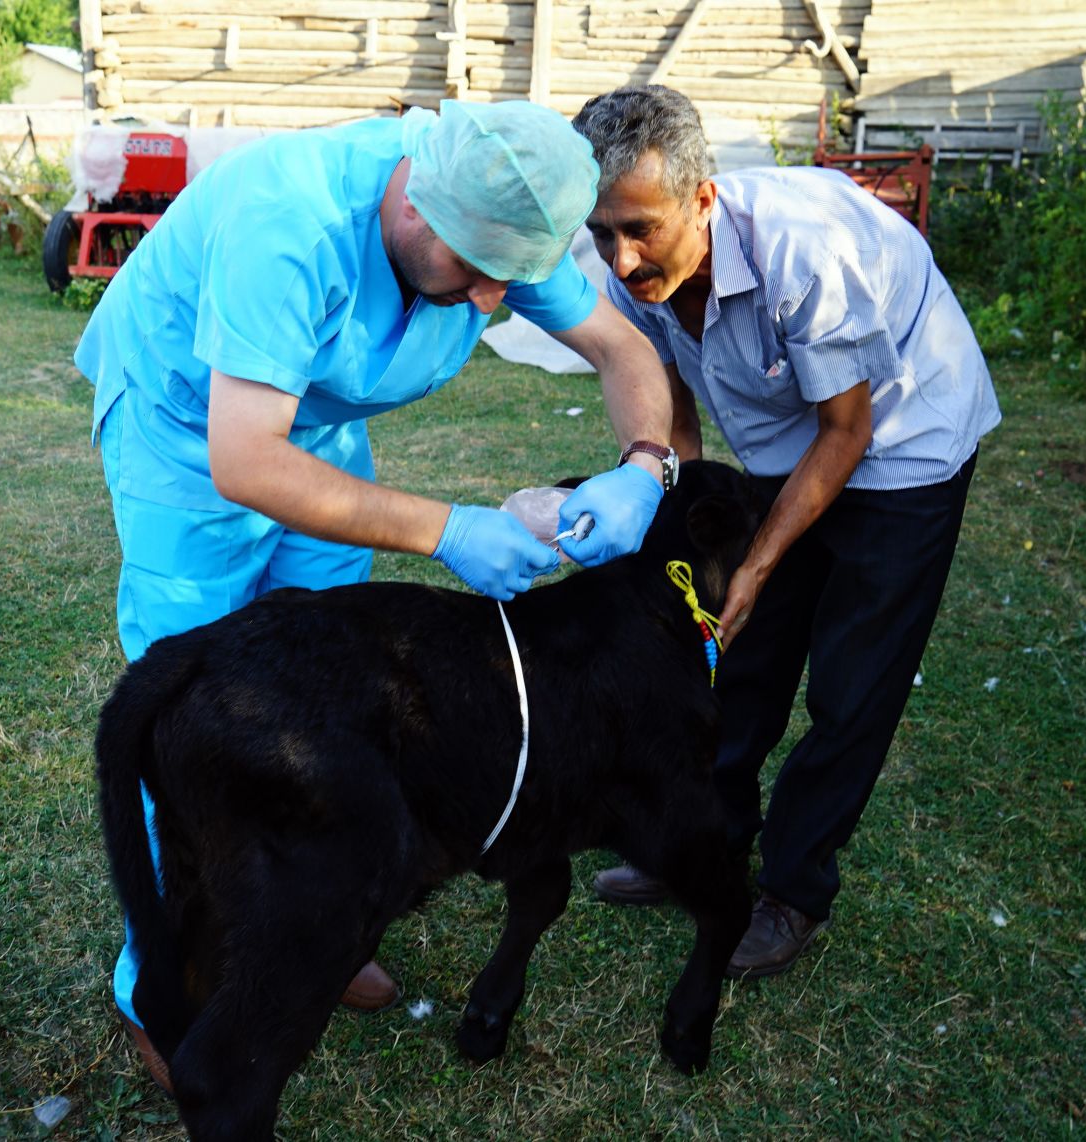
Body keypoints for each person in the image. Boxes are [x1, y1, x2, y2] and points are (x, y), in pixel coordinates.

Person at [75, 100, 677, 1087]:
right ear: (415, 205)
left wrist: (643, 464)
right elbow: (243, 459)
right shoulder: (291, 222)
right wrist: (447, 529)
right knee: (196, 716)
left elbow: (622, 349)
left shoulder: (497, 223)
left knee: (324, 697)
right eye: (476, 271)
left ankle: (301, 909)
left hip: (306, 435)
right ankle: (165, 978)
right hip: (190, 438)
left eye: (512, 279)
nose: (490, 300)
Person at [572, 86, 1001, 978]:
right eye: (602, 230)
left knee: (851, 681)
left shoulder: (804, 253)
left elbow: (848, 432)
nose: (620, 256)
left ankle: (793, 891)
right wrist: (673, 521)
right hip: (787, 431)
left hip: (904, 431)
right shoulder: (633, 258)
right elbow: (669, 399)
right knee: (743, 660)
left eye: (639, 230)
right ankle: (702, 844)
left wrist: (760, 563)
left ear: (701, 199)